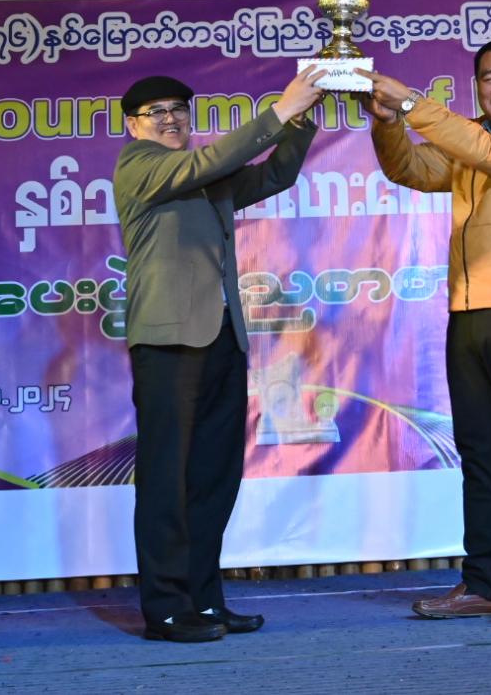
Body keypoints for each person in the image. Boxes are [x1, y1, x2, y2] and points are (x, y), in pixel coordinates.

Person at [359, 39, 491, 624]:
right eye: (488, 78)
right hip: (468, 311)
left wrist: (410, 103)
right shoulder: (468, 139)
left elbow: (488, 152)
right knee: (479, 454)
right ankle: (482, 582)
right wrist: (387, 123)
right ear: (476, 86)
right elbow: (408, 167)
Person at [114, 67, 324, 643]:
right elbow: (208, 161)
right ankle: (165, 608)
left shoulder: (206, 178)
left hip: (222, 338)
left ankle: (203, 600)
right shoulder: (139, 165)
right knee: (166, 478)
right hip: (169, 343)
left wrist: (303, 115)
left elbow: (275, 173)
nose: (170, 119)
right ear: (133, 126)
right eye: (156, 112)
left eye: (178, 110)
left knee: (213, 476)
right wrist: (280, 109)